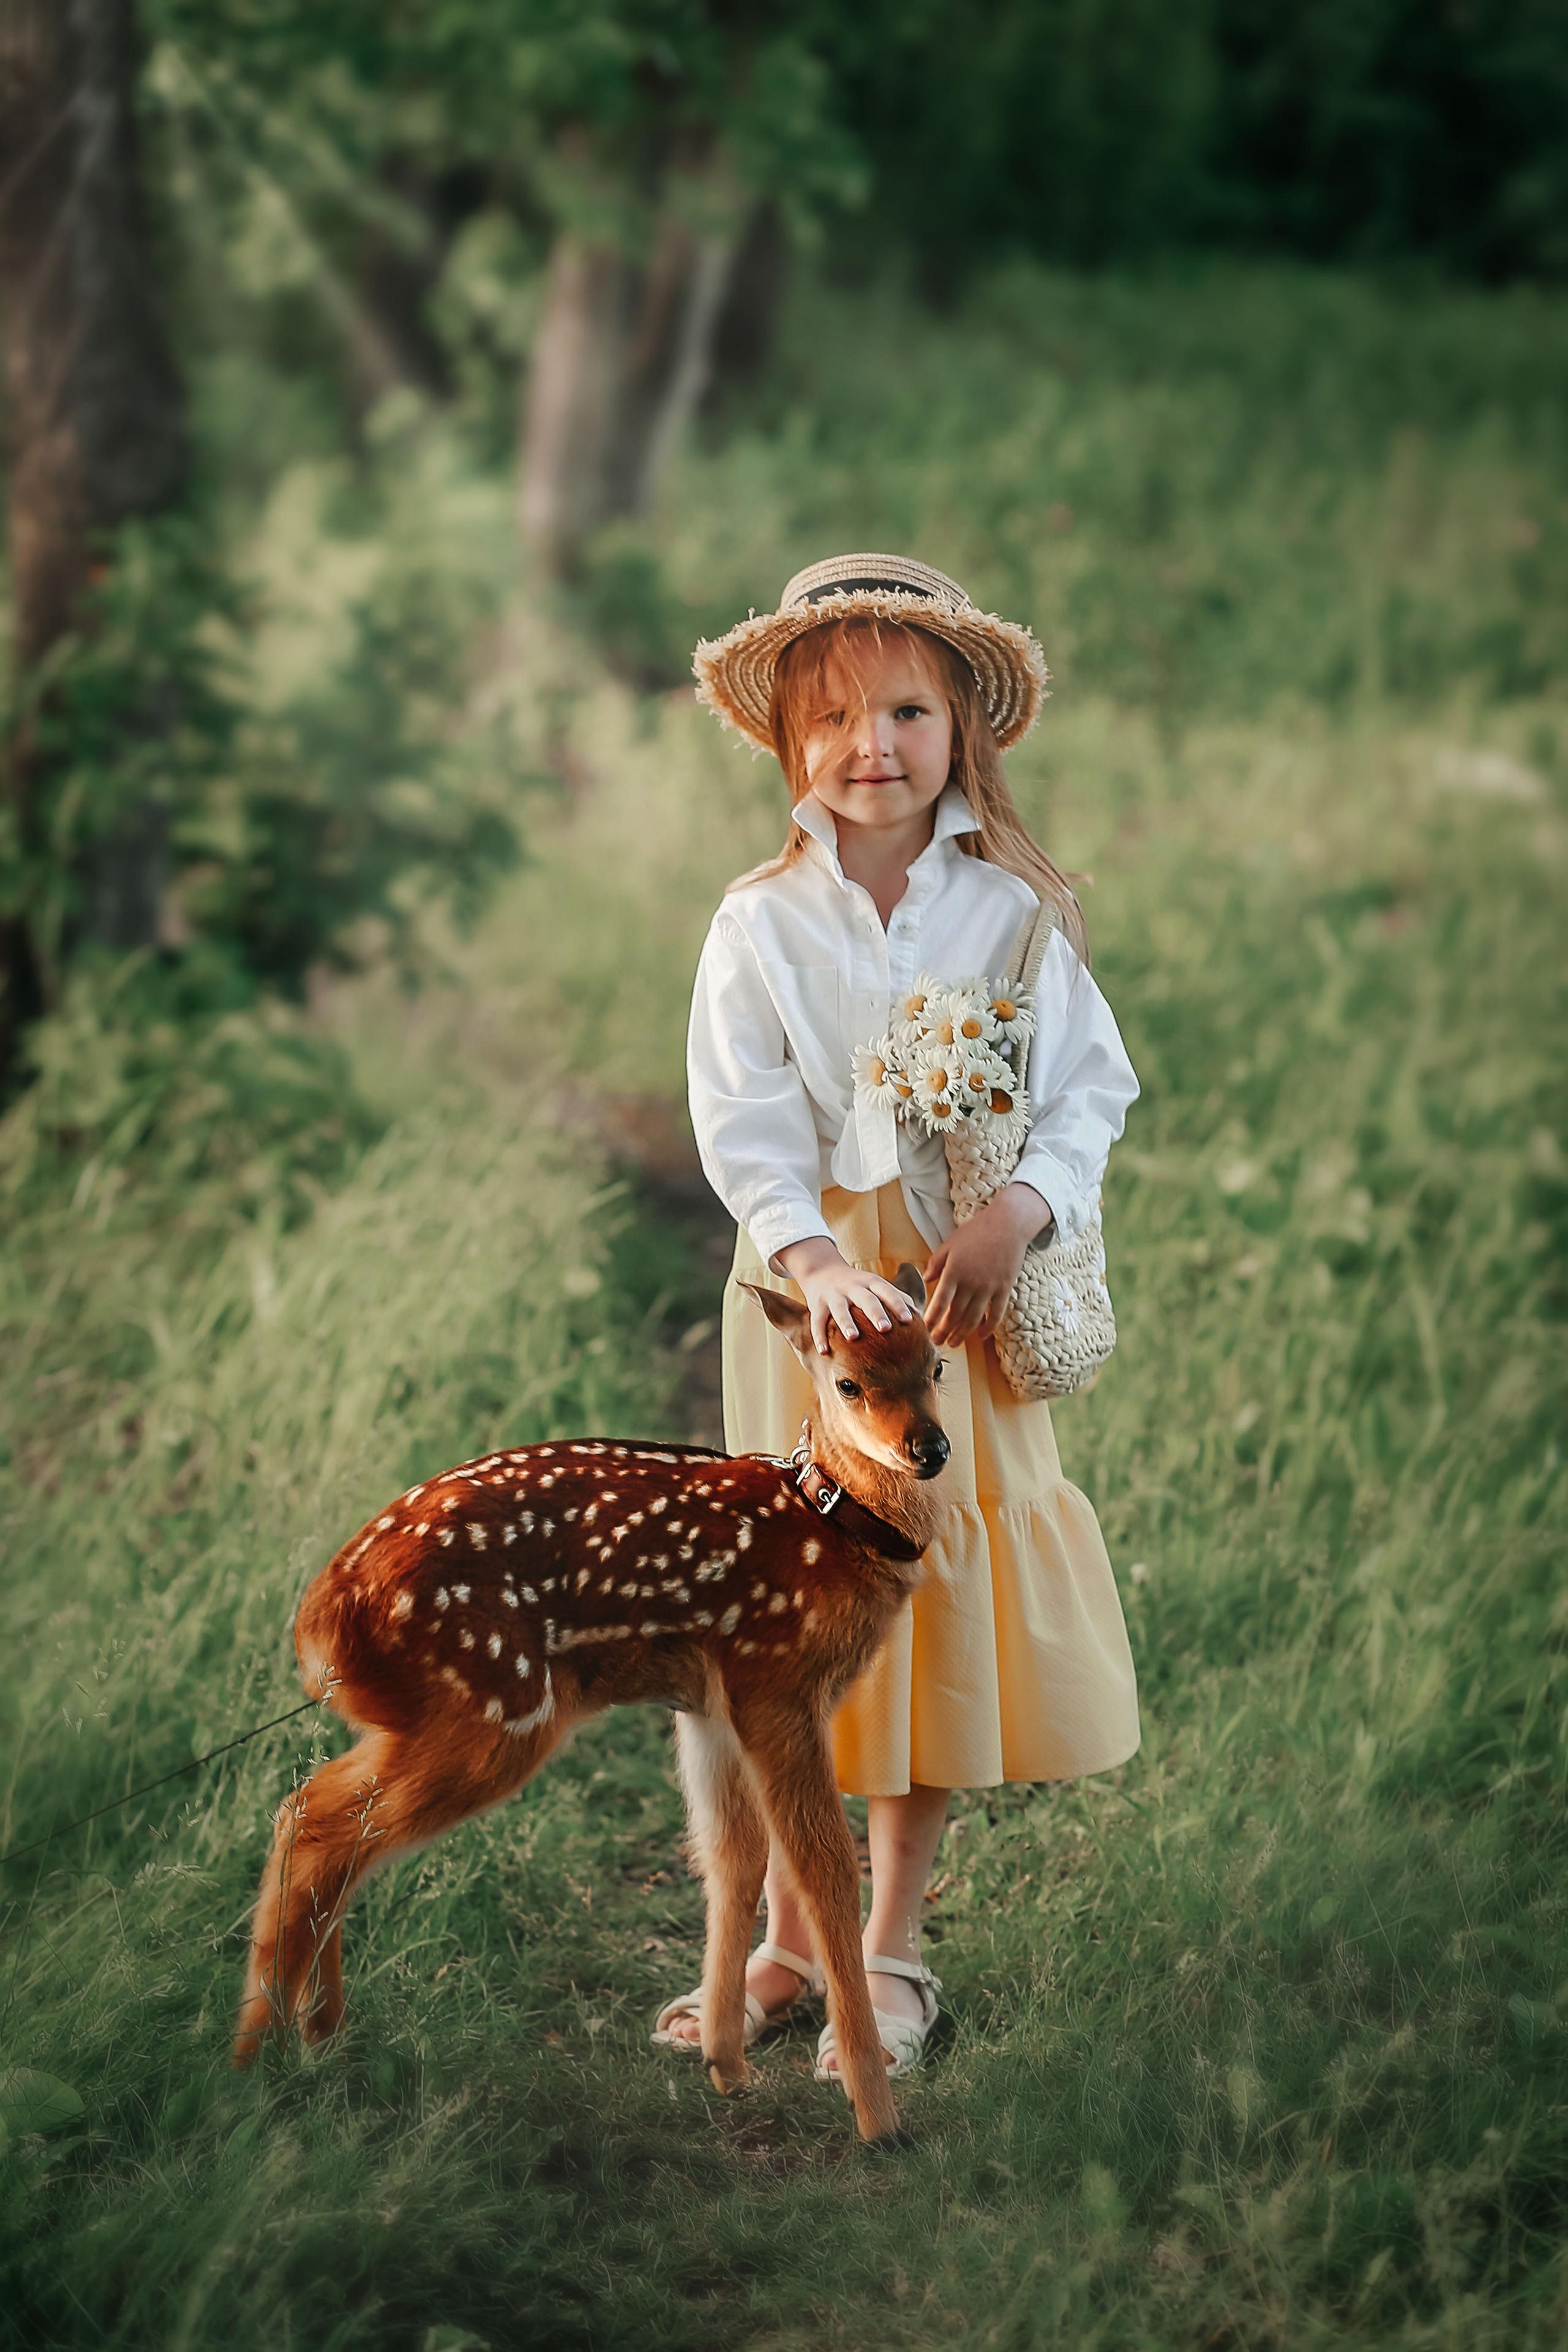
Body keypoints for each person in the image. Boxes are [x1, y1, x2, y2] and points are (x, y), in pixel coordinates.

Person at [654, 553, 1140, 2089]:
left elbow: (1087, 1092)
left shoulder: (1011, 912)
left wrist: (1013, 1214)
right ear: (784, 738)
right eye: (834, 717)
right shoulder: (758, 922)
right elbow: (738, 1117)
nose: (871, 744)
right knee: (795, 1613)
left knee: (921, 1607)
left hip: (950, 1297)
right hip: (811, 1306)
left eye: (908, 712)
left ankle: (891, 1943)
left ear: (961, 729)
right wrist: (807, 1257)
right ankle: (789, 1938)